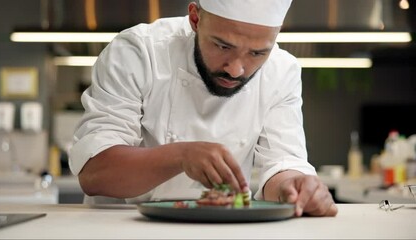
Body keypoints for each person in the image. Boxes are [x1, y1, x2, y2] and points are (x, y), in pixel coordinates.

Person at [68, 0, 338, 217]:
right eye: (222, 46)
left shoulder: (282, 71)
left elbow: (282, 165)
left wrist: (295, 187)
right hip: (120, 229)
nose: (236, 69)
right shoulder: (140, 52)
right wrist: (181, 156)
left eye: (257, 53)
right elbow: (95, 174)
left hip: (223, 230)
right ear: (195, 18)